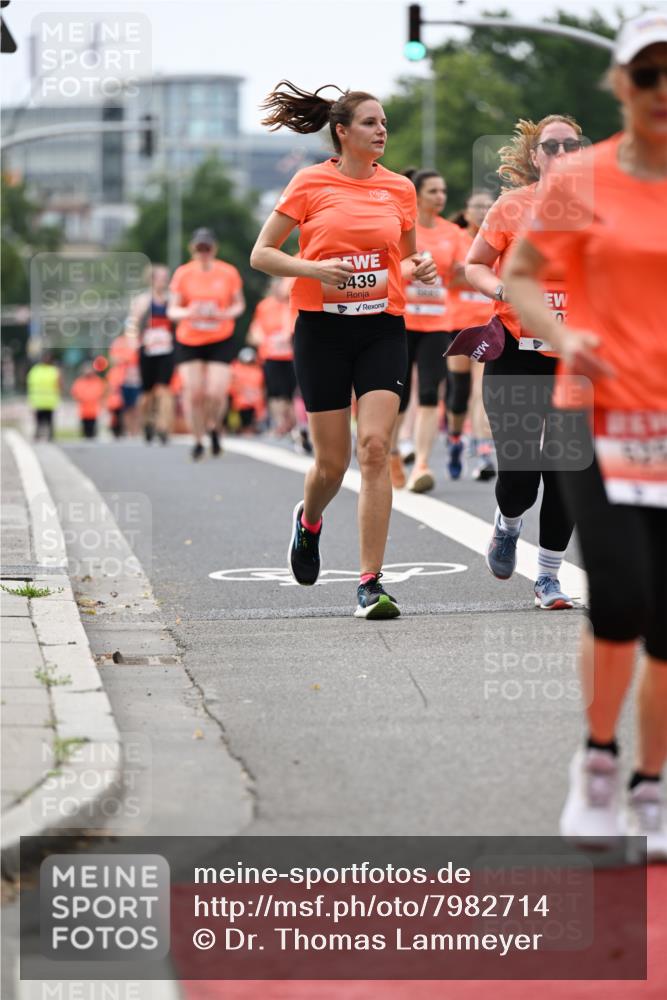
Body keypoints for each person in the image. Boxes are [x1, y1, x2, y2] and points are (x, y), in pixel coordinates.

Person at [502, 10, 667, 855]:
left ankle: (652, 784)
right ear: (620, 85)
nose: (662, 91)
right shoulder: (582, 181)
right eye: (647, 75)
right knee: (623, 597)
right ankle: (599, 760)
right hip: (598, 415)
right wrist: (565, 339)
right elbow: (520, 279)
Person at [250, 80, 437, 619]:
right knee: (331, 465)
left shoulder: (399, 189)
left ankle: (370, 582)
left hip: (382, 327)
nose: (382, 131)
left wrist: (418, 267)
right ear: (342, 132)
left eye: (384, 123)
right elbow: (262, 254)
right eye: (371, 123)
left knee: (375, 448)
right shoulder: (309, 184)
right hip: (322, 330)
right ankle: (309, 522)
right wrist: (311, 268)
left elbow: (405, 258)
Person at [465, 114, 586, 611]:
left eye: (570, 146)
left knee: (566, 470)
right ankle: (508, 523)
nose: (560, 154)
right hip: (517, 351)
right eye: (550, 147)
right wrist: (500, 289)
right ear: (535, 157)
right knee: (520, 472)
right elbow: (473, 264)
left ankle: (549, 578)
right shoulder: (511, 207)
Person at [391, 169, 463, 494]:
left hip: (438, 324)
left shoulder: (453, 233)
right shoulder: (404, 229)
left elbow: (461, 275)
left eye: (443, 191)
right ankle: (391, 453)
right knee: (399, 395)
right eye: (433, 191)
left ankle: (421, 462)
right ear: (417, 194)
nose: (440, 197)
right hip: (402, 322)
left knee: (432, 393)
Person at [168, 228, 245, 460]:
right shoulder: (183, 274)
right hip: (189, 339)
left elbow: (239, 305)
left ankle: (213, 426)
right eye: (199, 248)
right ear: (192, 249)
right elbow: (172, 310)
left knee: (216, 392)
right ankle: (198, 439)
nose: (203, 253)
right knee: (193, 393)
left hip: (220, 337)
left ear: (214, 249)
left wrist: (225, 313)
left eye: (207, 248)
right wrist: (188, 312)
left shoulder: (228, 272)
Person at [446, 191, 497, 481]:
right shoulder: (454, 237)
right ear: (466, 212)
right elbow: (447, 275)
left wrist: (471, 270)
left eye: (489, 207)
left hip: (488, 325)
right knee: (458, 395)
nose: (484, 211)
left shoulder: (497, 236)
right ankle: (455, 438)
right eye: (478, 206)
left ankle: (483, 452)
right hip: (457, 326)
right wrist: (476, 271)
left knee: (482, 391)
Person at [126, 264, 176, 444]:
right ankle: (147, 422)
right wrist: (133, 342)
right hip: (148, 350)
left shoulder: (172, 299)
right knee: (147, 393)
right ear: (152, 279)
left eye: (165, 277)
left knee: (165, 389)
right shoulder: (143, 300)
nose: (163, 280)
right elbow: (132, 323)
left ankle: (163, 427)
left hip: (167, 350)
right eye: (160, 277)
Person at [247, 277, 297, 435]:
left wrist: (289, 335)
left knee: (289, 392)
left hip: (290, 355)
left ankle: (290, 422)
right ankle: (280, 423)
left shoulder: (293, 303)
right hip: (271, 355)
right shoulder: (264, 306)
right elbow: (256, 328)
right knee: (275, 391)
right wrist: (261, 338)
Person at [109, 329, 142, 436]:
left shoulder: (139, 341)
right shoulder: (119, 342)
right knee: (126, 407)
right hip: (123, 380)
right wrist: (126, 358)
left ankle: (136, 431)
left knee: (137, 407)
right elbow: (114, 359)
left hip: (137, 380)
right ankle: (129, 431)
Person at [229, 347, 266, 433]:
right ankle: (239, 427)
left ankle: (251, 426)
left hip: (254, 402)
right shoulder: (235, 369)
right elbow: (231, 385)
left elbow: (262, 385)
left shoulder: (259, 370)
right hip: (239, 401)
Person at [26, 352, 61, 441]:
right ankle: (45, 435)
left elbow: (29, 383)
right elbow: (59, 384)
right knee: (43, 420)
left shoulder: (35, 370)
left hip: (42, 400)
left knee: (44, 420)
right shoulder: (53, 371)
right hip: (46, 400)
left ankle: (43, 435)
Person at [70, 365, 106, 439]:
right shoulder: (79, 381)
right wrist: (81, 398)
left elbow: (101, 392)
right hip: (83, 410)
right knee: (85, 429)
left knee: (92, 429)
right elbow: (75, 392)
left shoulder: (97, 381)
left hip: (93, 410)